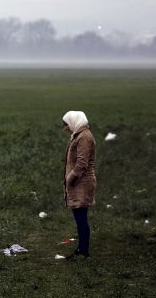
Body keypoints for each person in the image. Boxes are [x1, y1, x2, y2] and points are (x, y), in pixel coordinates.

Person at [62, 110, 96, 259]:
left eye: (67, 124)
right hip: (78, 182)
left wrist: (70, 179)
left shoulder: (84, 137)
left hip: (81, 183)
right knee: (80, 218)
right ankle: (81, 249)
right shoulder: (80, 135)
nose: (66, 128)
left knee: (81, 219)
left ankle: (83, 251)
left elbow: (82, 164)